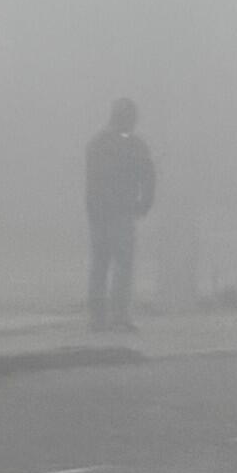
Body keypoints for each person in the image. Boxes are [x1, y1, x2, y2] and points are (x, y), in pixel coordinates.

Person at [85, 97, 156, 332]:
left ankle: (98, 316)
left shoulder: (97, 142)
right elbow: (147, 174)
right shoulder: (133, 144)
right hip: (121, 211)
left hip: (102, 212)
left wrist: (92, 208)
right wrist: (144, 202)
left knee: (100, 263)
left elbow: (91, 179)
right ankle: (119, 315)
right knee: (121, 264)